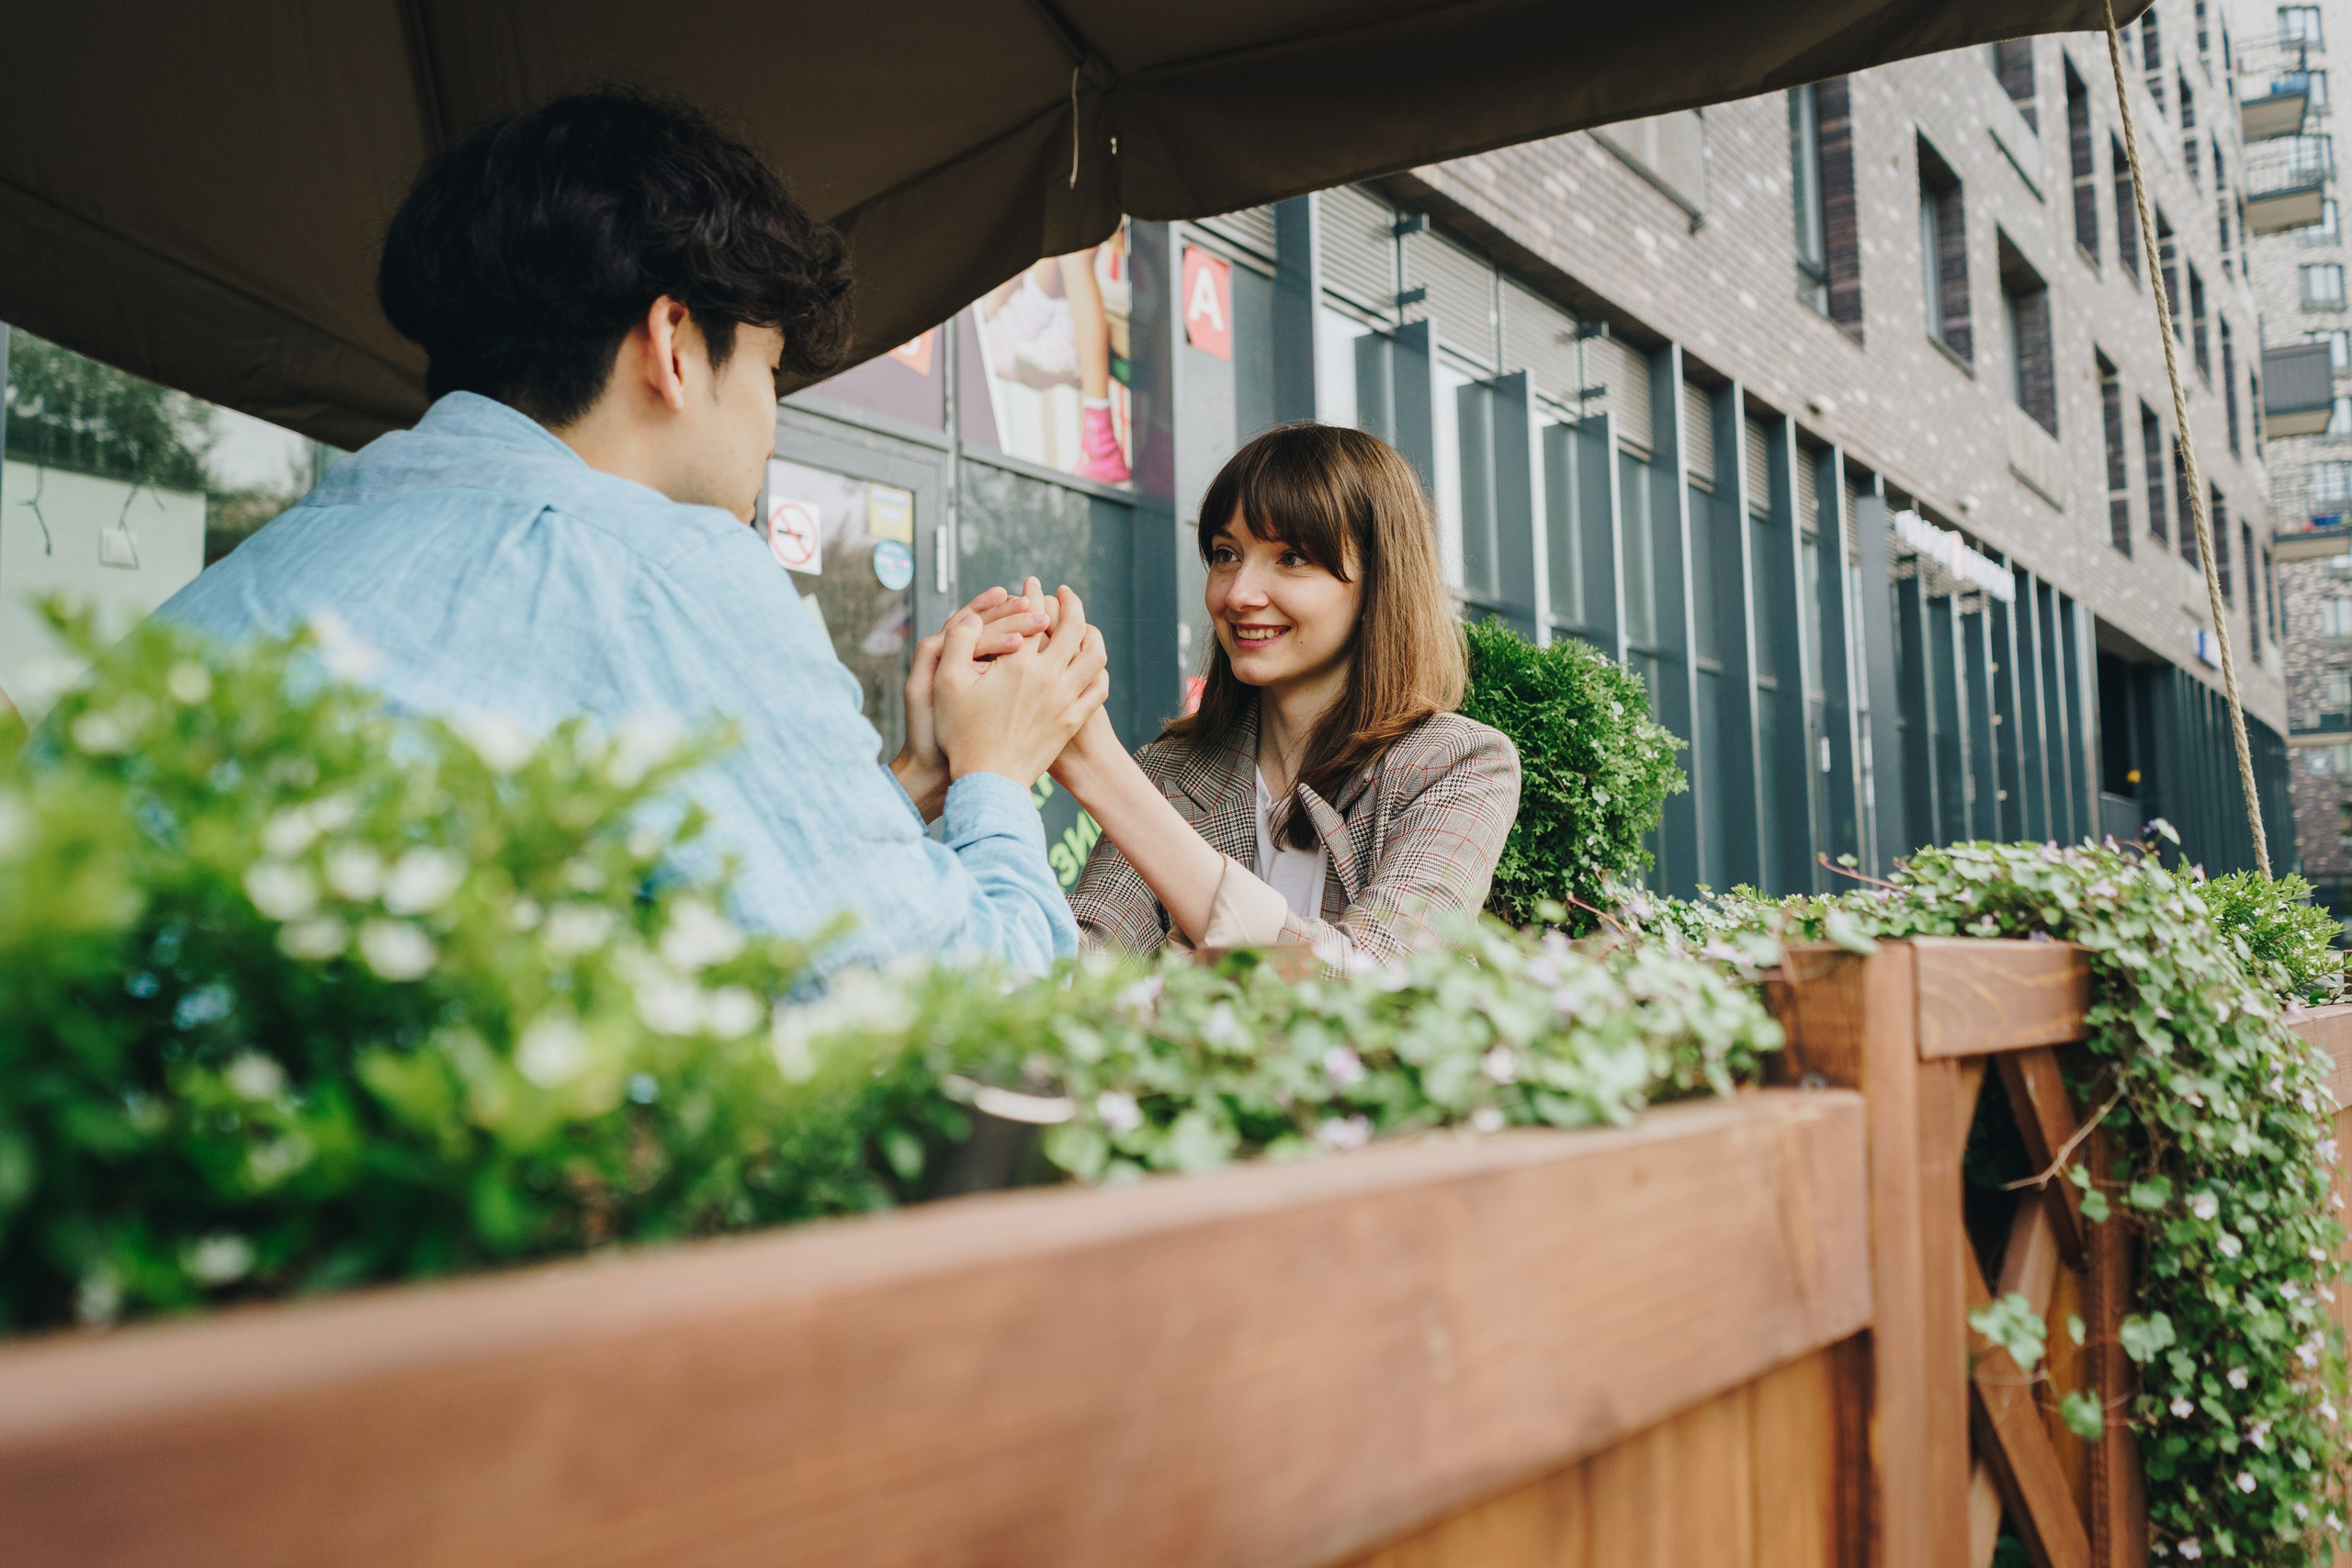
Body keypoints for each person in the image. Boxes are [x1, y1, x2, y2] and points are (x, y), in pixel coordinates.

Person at [158, 91, 1105, 975]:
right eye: (770, 373)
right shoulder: (670, 569)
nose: (772, 428)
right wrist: (995, 770)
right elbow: (972, 1000)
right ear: (675, 345)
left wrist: (911, 781)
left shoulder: (273, 556)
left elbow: (658, 905)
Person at [1059, 423, 1520, 966]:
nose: (1237, 593)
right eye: (1226, 553)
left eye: (1293, 558)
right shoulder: (1173, 770)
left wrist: (1097, 769)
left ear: (1380, 581)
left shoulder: (1457, 764)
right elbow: (1086, 965)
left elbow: (1378, 979)